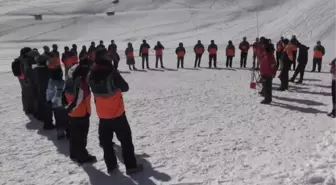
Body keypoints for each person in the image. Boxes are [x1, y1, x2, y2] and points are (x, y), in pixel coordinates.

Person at [89, 49, 143, 175]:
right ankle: (131, 166)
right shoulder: (111, 72)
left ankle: (111, 166)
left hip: (102, 114)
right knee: (125, 141)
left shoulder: (92, 72)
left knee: (107, 143)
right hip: (117, 113)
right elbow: (125, 87)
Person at [64, 59, 96, 164]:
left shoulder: (70, 75)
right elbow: (79, 98)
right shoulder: (82, 81)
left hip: (72, 112)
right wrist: (70, 108)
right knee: (81, 136)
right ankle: (82, 156)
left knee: (74, 134)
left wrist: (67, 109)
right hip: (81, 112)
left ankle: (73, 153)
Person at [33, 54, 55, 129]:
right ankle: (48, 124)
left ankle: (40, 117)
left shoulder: (35, 69)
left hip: (38, 90)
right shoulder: (47, 70)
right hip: (46, 91)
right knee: (48, 108)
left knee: (41, 105)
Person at [46, 67, 69, 139]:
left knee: (58, 119)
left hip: (55, 104)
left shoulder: (51, 83)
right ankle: (68, 131)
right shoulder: (64, 82)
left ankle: (60, 132)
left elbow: (49, 93)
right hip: (64, 103)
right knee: (66, 118)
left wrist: (48, 100)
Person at [259, 39, 277, 104]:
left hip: (267, 73)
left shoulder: (268, 55)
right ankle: (268, 98)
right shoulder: (267, 54)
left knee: (267, 87)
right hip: (266, 73)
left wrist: (273, 73)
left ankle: (267, 99)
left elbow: (273, 65)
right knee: (267, 87)